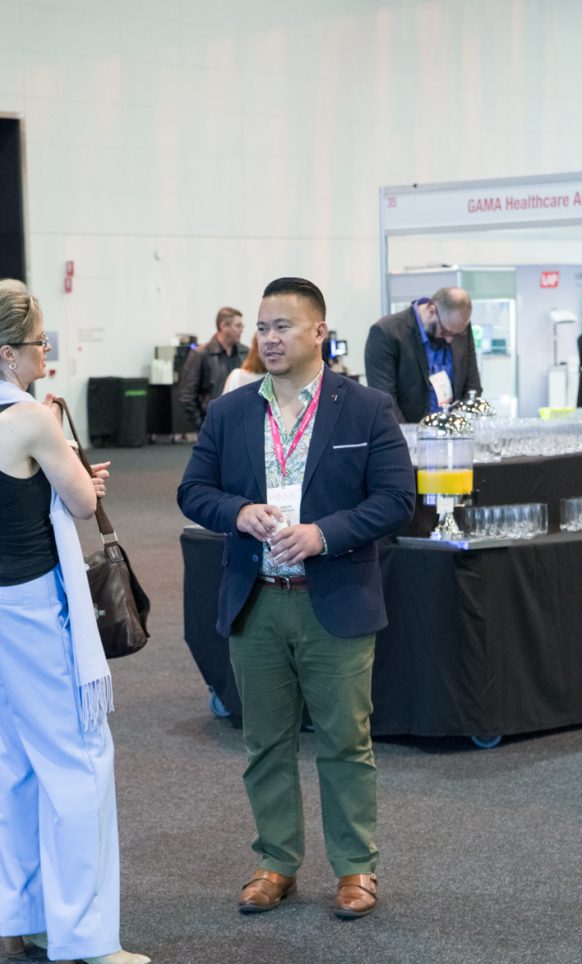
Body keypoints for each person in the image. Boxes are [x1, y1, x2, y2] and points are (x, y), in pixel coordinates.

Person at [177, 277, 415, 919]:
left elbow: (397, 499)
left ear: (319, 331)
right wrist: (237, 512)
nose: (270, 338)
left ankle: (355, 868)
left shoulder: (366, 408)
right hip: (256, 600)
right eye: (263, 327)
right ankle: (276, 862)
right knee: (265, 742)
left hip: (333, 599)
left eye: (283, 326)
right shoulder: (231, 411)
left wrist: (323, 534)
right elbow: (193, 491)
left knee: (345, 742)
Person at [0, 278, 150, 964]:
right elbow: (83, 502)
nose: (47, 354)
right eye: (40, 343)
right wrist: (77, 469)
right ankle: (85, 936)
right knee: (78, 759)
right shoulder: (33, 418)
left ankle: (27, 918)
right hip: (31, 605)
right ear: (7, 352)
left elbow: (22, 490)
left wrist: (68, 472)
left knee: (15, 760)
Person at [364, 286, 481, 422]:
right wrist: (409, 434)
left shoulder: (458, 328)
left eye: (456, 335)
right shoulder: (387, 333)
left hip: (454, 429)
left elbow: (472, 386)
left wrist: (461, 425)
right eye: (445, 332)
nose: (450, 340)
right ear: (431, 311)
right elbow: (386, 401)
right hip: (409, 430)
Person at [179, 306, 248, 428]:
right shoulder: (200, 355)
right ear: (223, 326)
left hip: (242, 426)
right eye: (238, 326)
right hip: (213, 426)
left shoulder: (246, 353)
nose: (241, 330)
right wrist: (204, 427)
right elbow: (187, 396)